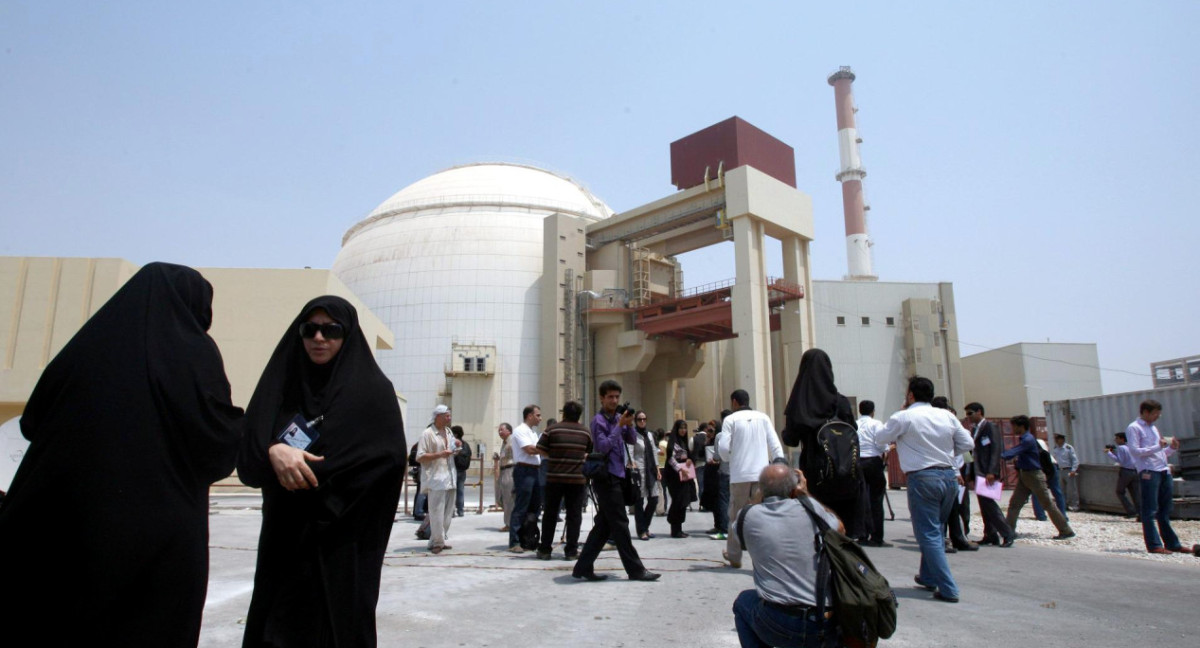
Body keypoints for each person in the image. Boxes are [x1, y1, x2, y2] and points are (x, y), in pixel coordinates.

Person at [0, 263, 243, 647]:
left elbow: (31, 423)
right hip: (157, 540)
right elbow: (216, 450)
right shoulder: (192, 354)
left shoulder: (86, 346)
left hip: (63, 528)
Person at [238, 295, 407, 648]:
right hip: (284, 545)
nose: (319, 338)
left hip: (342, 550)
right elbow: (248, 460)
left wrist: (311, 476)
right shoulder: (283, 387)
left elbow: (387, 462)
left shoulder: (372, 393)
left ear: (347, 335)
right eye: (309, 329)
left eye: (331, 330)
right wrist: (274, 452)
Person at [874, 376, 973, 603]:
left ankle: (948, 588)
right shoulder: (946, 415)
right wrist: (946, 451)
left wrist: (901, 416)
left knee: (927, 534)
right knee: (936, 529)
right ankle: (928, 576)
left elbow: (880, 437)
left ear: (910, 395)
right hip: (948, 476)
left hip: (923, 477)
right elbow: (968, 444)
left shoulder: (904, 417)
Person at [731, 463, 841, 648]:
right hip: (824, 621)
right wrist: (806, 495)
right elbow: (840, 528)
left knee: (743, 602)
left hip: (779, 621)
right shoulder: (812, 509)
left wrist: (759, 494)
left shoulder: (747, 517)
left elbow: (740, 534)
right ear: (794, 489)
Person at [572, 379, 660, 582]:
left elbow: (630, 440)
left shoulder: (619, 418)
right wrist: (619, 426)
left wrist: (627, 424)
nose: (614, 400)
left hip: (619, 476)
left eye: (616, 397)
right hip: (605, 478)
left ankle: (582, 567)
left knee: (604, 525)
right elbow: (602, 447)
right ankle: (636, 570)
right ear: (602, 398)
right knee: (620, 524)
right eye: (610, 397)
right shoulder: (598, 421)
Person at [782, 348, 862, 539]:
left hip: (814, 475)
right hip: (846, 471)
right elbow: (853, 429)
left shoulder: (799, 403)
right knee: (844, 530)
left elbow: (790, 440)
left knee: (816, 526)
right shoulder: (840, 401)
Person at [719, 389, 786, 568]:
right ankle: (765, 556)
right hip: (761, 474)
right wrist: (779, 462)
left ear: (734, 402)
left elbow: (724, 449)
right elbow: (774, 443)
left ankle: (734, 555)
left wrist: (731, 458)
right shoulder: (763, 417)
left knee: (735, 515)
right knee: (763, 515)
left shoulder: (730, 420)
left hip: (740, 475)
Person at [1125, 400, 1187, 554]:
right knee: (1150, 509)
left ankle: (1172, 543)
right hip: (1148, 471)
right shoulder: (1134, 428)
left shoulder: (1153, 428)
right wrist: (1158, 446)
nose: (1157, 417)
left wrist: (1170, 449)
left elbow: (1159, 452)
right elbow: (1135, 451)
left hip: (1162, 470)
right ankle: (1154, 545)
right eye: (1154, 414)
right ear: (1145, 412)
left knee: (1165, 509)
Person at [1001, 415, 1075, 540]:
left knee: (1048, 504)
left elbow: (1012, 453)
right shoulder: (1025, 439)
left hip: (1034, 475)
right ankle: (1009, 531)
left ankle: (1066, 530)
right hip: (1025, 475)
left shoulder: (1028, 440)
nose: (1012, 428)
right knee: (1014, 504)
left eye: (1014, 426)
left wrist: (1000, 453)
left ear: (1021, 426)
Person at [536, 400, 591, 560]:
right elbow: (588, 452)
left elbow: (540, 449)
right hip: (577, 480)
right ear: (579, 415)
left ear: (563, 413)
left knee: (551, 514)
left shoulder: (551, 430)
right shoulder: (585, 432)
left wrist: (554, 456)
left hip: (555, 478)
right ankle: (571, 550)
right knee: (574, 515)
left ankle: (545, 549)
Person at [964, 402, 1015, 547]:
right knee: (984, 505)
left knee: (989, 505)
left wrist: (992, 471)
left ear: (979, 411)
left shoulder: (990, 427)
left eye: (970, 413)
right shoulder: (975, 430)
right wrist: (969, 471)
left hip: (988, 473)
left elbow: (995, 450)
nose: (968, 417)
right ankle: (990, 534)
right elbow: (973, 452)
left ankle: (1007, 533)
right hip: (978, 472)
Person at [931, 397, 977, 553]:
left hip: (940, 470)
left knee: (950, 508)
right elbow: (966, 443)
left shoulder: (930, 423)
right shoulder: (949, 422)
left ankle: (954, 538)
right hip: (950, 471)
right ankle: (949, 540)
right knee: (949, 508)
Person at [417, 406, 459, 554]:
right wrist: (440, 454)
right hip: (436, 478)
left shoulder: (448, 432)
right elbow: (420, 456)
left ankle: (438, 539)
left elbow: (451, 448)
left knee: (448, 513)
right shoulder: (427, 434)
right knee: (436, 511)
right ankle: (437, 542)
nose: (449, 419)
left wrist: (456, 447)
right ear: (438, 416)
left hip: (450, 476)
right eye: (446, 416)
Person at [507, 404, 544, 553]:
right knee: (521, 507)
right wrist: (548, 449)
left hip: (535, 471)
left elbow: (537, 450)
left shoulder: (533, 433)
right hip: (524, 471)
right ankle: (514, 541)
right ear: (529, 416)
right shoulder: (520, 431)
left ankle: (529, 538)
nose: (540, 418)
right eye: (538, 415)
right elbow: (529, 450)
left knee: (535, 508)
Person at [856, 399, 891, 547]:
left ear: (859, 410)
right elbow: (883, 446)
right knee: (876, 500)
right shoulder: (876, 424)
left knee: (860, 499)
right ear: (873, 411)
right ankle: (877, 536)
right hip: (873, 462)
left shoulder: (854, 424)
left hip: (858, 462)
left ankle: (862, 534)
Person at [629, 410, 661, 540]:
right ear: (635, 421)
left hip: (651, 470)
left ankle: (645, 526)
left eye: (644, 419)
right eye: (639, 419)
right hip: (639, 471)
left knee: (654, 499)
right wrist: (632, 466)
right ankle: (641, 531)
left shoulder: (649, 435)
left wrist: (658, 469)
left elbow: (654, 451)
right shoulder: (633, 435)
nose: (642, 422)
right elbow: (630, 452)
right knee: (639, 502)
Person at [664, 419, 696, 538]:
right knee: (677, 501)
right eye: (681, 428)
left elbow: (686, 455)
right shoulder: (673, 442)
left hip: (684, 477)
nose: (683, 430)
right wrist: (679, 468)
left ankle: (679, 529)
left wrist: (688, 460)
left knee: (683, 502)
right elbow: (671, 459)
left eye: (684, 428)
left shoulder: (683, 442)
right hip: (674, 476)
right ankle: (674, 528)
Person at [1031, 436, 1068, 523]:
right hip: (1051, 465)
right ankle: (1063, 515)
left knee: (1037, 492)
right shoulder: (1039, 441)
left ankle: (1040, 515)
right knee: (1056, 491)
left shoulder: (1033, 442)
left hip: (1043, 466)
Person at [1106, 432, 1140, 517]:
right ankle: (1141, 512)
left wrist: (1109, 453)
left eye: (1117, 438)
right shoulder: (1131, 447)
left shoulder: (1121, 448)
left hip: (1126, 471)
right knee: (1136, 493)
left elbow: (1120, 460)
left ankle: (1131, 511)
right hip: (1135, 471)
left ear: (1122, 439)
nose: (1115, 440)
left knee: (1120, 491)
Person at [494, 422, 515, 531]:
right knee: (500, 497)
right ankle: (509, 522)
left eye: (502, 430)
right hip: (503, 471)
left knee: (508, 499)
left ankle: (509, 524)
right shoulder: (504, 442)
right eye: (499, 430)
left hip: (509, 470)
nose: (500, 432)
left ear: (509, 431)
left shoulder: (512, 442)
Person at [1051, 434, 1080, 512]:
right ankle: (1064, 505)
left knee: (1072, 489)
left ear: (1062, 440)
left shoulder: (1068, 448)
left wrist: (1073, 470)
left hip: (1068, 470)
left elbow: (1075, 460)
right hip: (1060, 470)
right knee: (1061, 489)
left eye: (1058, 439)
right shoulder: (1056, 448)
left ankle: (1074, 505)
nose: (1056, 441)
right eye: (1056, 439)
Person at [452, 425, 472, 516]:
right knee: (460, 491)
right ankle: (460, 510)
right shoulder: (466, 444)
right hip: (462, 470)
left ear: (455, 434)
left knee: (451, 491)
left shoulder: (454, 443)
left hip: (453, 469)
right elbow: (469, 454)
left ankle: (451, 511)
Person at [691, 421, 709, 509]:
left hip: (698, 464)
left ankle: (702, 504)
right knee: (708, 484)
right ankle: (708, 503)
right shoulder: (709, 437)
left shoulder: (694, 438)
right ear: (706, 429)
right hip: (709, 464)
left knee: (701, 484)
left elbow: (690, 449)